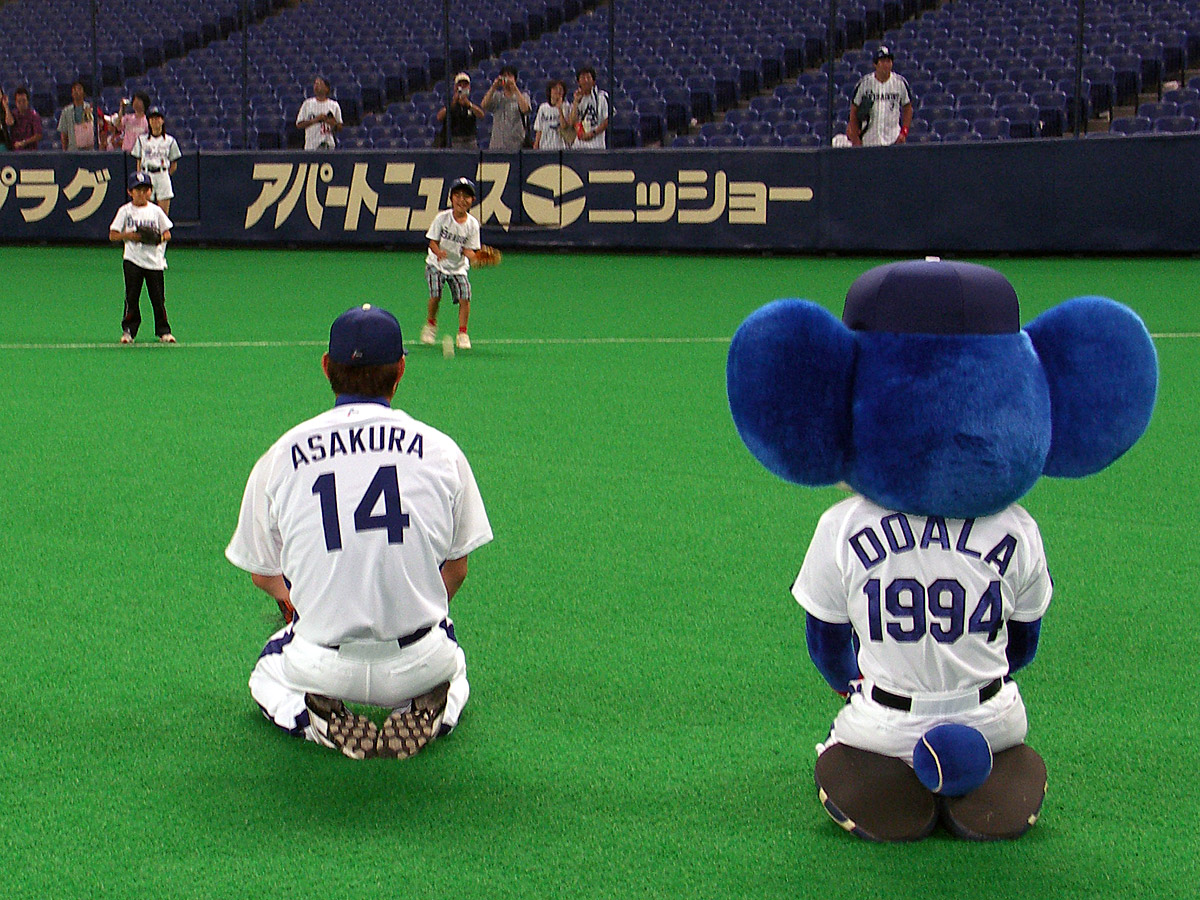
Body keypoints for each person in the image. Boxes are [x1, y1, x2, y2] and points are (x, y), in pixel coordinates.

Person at [226, 303, 494, 760]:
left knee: (267, 671)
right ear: (401, 370)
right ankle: (435, 709)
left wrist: (307, 602)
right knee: (452, 661)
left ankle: (311, 720)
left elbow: (262, 574)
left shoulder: (281, 454)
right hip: (416, 660)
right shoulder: (442, 451)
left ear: (326, 367)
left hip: (322, 662)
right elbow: (457, 571)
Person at [108, 172, 175, 344]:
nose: (142, 193)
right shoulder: (125, 211)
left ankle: (164, 331)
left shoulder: (156, 211)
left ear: (151, 191)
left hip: (154, 261)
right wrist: (129, 236)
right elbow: (113, 235)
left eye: (145, 190)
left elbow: (167, 233)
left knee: (158, 299)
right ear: (130, 192)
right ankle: (129, 331)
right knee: (132, 297)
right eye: (137, 190)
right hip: (133, 259)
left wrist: (158, 238)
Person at [420, 177, 484, 351]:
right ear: (451, 198)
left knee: (465, 297)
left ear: (472, 200)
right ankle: (430, 325)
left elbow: (467, 250)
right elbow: (432, 242)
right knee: (436, 295)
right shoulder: (442, 218)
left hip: (458, 267)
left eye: (466, 197)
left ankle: (463, 333)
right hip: (436, 264)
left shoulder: (472, 225)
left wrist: (475, 258)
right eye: (458, 195)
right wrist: (438, 252)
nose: (461, 200)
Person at [847, 46, 913, 147]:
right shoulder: (864, 84)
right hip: (869, 140)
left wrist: (904, 132)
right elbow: (854, 110)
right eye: (882, 61)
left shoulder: (900, 83)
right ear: (875, 64)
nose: (886, 64)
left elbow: (907, 107)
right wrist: (855, 138)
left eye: (888, 61)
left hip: (893, 140)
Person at [131, 107, 182, 215]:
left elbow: (174, 163)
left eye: (157, 118)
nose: (155, 121)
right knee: (146, 212)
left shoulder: (170, 141)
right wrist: (141, 175)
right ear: (149, 121)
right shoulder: (142, 140)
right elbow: (138, 161)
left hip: (162, 173)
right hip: (147, 173)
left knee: (163, 214)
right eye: (152, 119)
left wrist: (165, 174)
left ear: (162, 120)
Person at [481, 64, 531, 152]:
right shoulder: (497, 96)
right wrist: (494, 87)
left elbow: (525, 110)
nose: (507, 78)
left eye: (509, 76)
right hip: (497, 146)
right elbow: (484, 105)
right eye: (504, 76)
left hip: (516, 146)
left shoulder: (523, 96)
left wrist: (514, 88)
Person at [436, 73, 485, 149]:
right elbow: (439, 117)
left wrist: (469, 105)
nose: (462, 87)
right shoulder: (450, 104)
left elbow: (481, 115)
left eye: (465, 85)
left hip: (470, 141)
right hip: (455, 141)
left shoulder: (472, 103)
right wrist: (453, 103)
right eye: (459, 84)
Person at [567, 65, 609, 149]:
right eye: (583, 78)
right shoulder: (576, 98)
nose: (586, 80)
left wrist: (593, 133)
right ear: (578, 82)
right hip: (578, 145)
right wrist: (575, 102)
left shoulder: (602, 96)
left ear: (593, 81)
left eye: (588, 78)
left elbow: (607, 120)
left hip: (596, 145)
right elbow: (572, 122)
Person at [295, 76, 342, 149]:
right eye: (315, 84)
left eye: (319, 84)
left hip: (328, 145)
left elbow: (340, 127)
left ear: (326, 88)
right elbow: (299, 125)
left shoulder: (334, 105)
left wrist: (331, 122)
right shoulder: (307, 104)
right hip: (311, 146)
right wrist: (315, 120)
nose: (316, 86)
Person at [532, 79, 574, 150]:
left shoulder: (567, 107)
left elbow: (564, 126)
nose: (558, 91)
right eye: (555, 89)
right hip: (545, 146)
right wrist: (536, 144)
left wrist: (560, 109)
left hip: (562, 147)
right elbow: (539, 129)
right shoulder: (543, 108)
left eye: (560, 89)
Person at [58, 81, 96, 150]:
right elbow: (64, 133)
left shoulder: (90, 108)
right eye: (74, 89)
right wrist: (64, 151)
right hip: (73, 149)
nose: (76, 91)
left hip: (88, 149)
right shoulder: (66, 111)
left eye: (79, 89)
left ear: (83, 92)